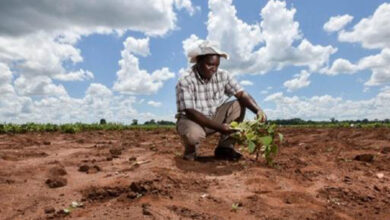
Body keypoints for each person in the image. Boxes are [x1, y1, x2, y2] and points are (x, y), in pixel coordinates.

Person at [175, 41, 266, 161]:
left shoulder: (223, 75)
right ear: (198, 62)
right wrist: (220, 127)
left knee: (239, 104)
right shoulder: (185, 80)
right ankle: (190, 152)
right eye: (210, 65)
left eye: (216, 65)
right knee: (193, 136)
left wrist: (258, 110)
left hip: (214, 117)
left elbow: (241, 93)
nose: (214, 69)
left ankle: (225, 149)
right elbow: (191, 112)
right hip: (192, 120)